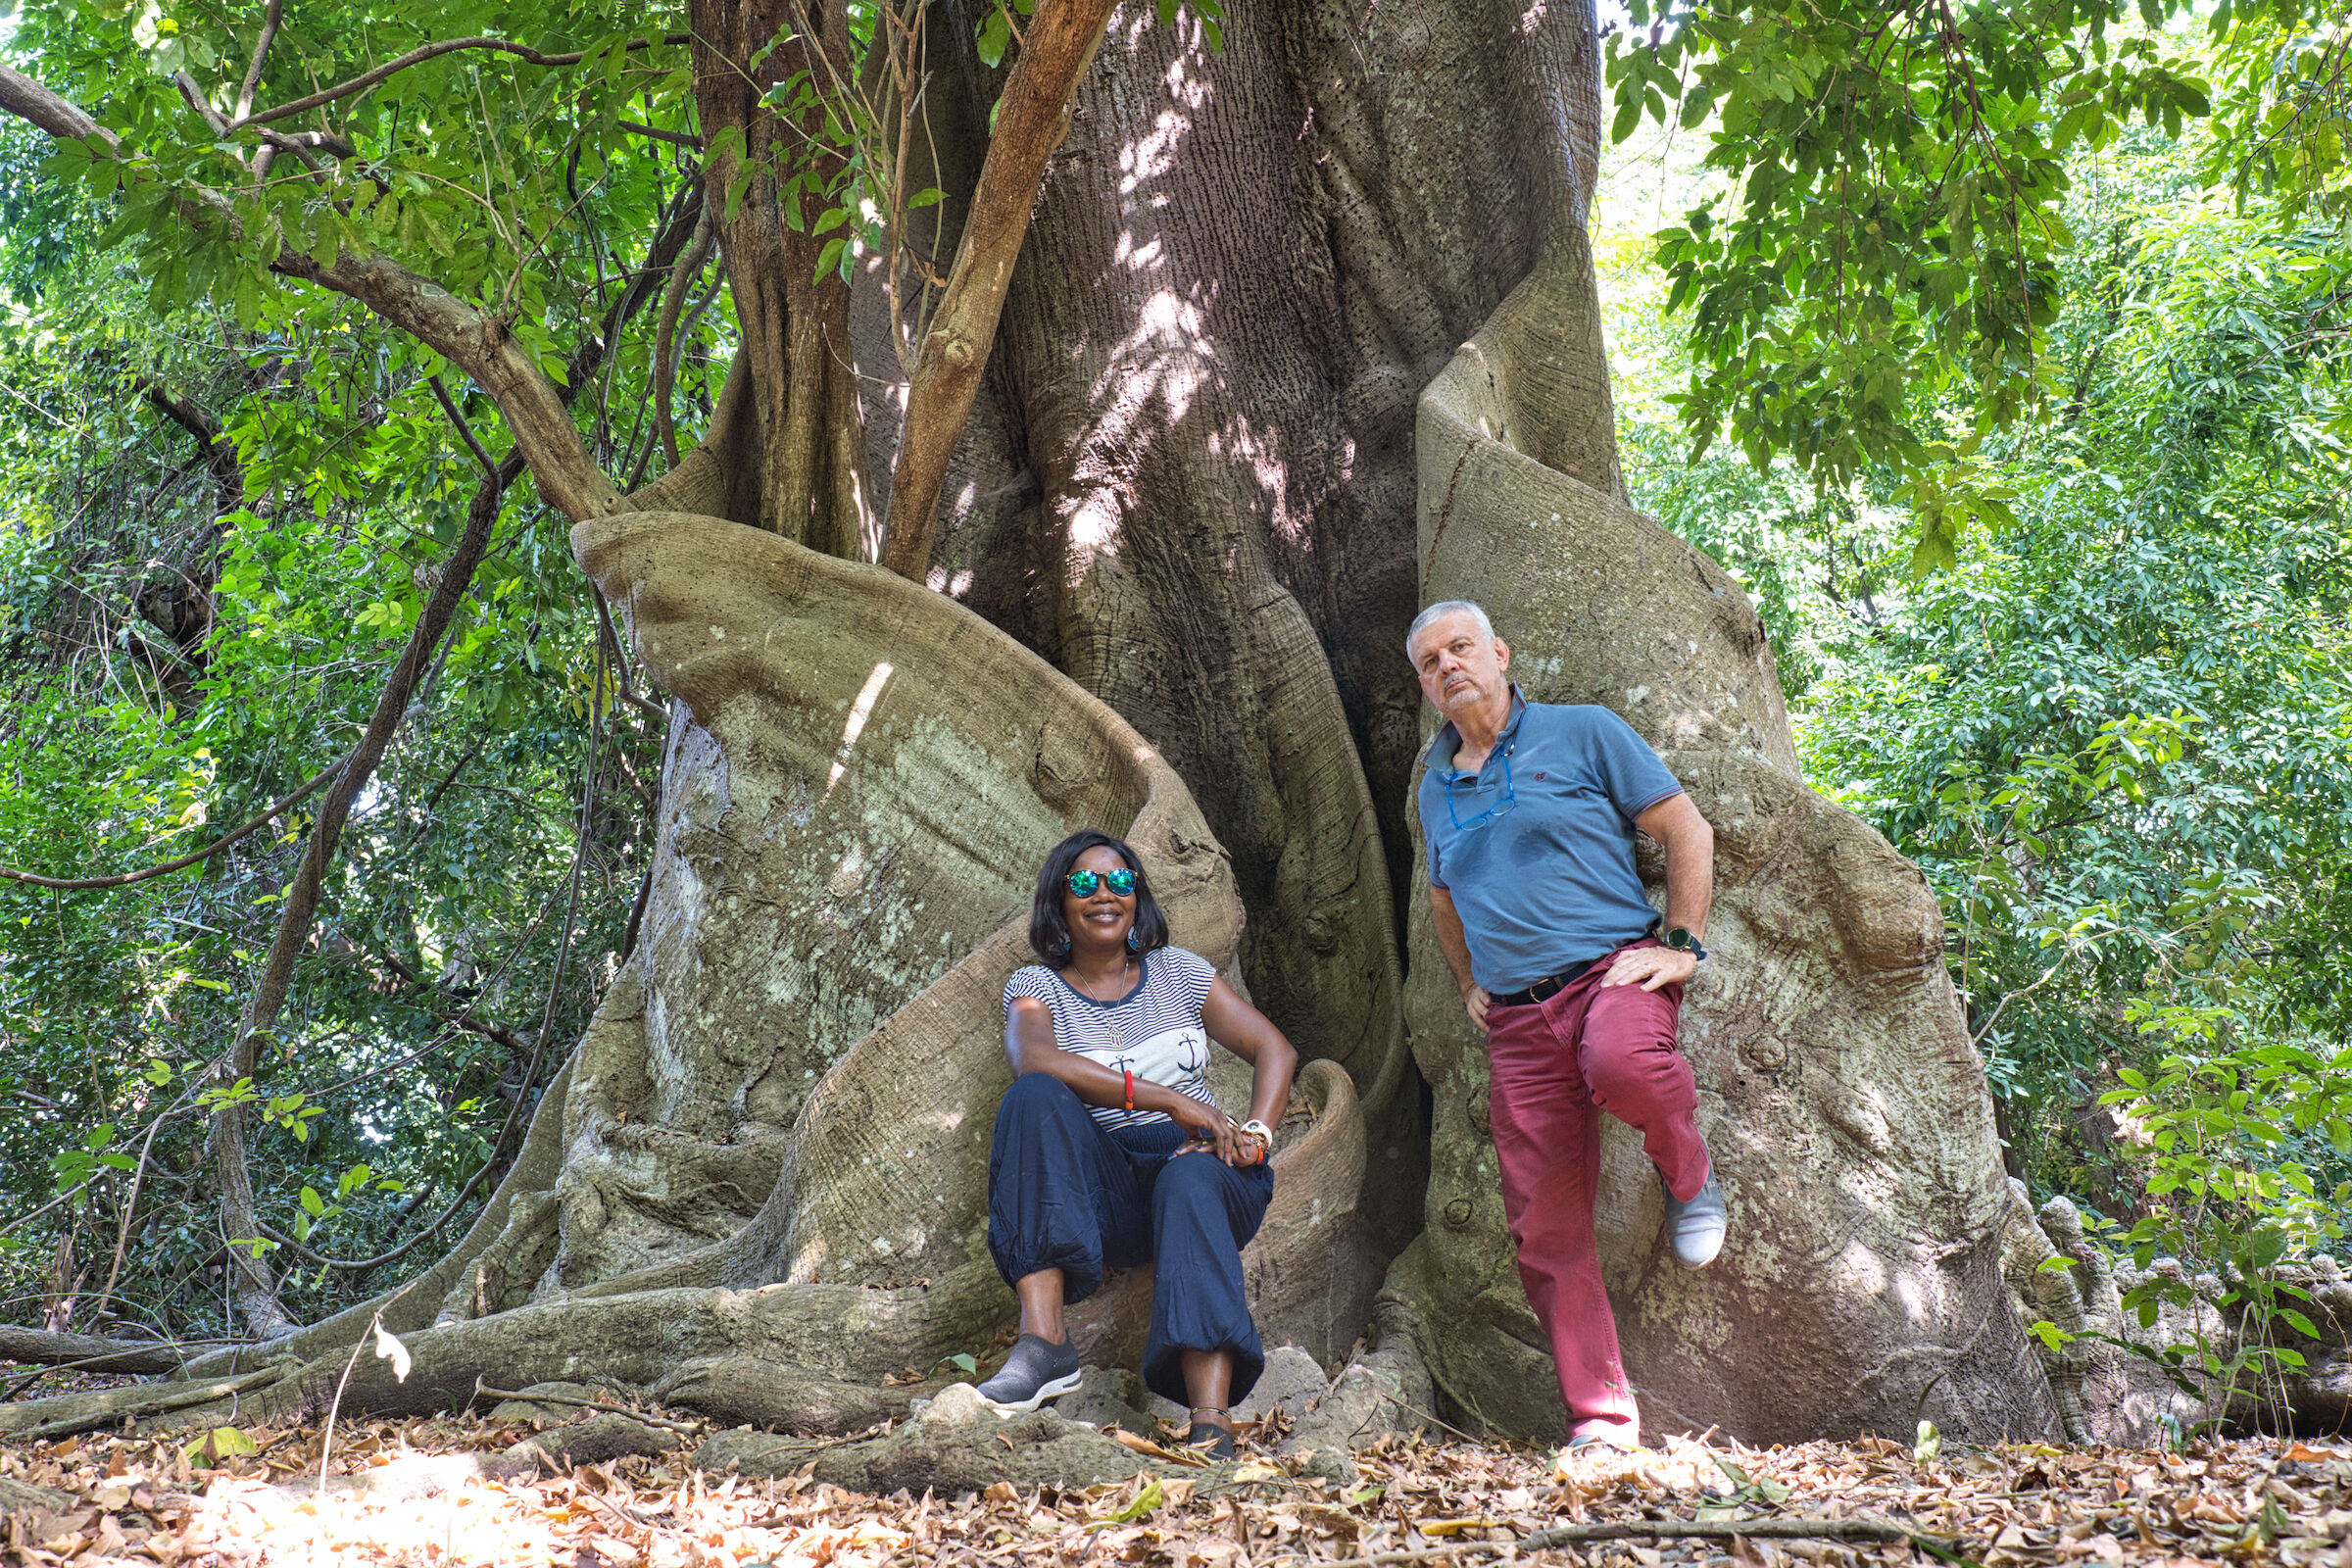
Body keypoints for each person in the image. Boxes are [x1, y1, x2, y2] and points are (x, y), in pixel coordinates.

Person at [1407, 599, 1728, 1462]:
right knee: (1542, 1228)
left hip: (1611, 972)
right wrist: (1470, 982)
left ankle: (1688, 1176)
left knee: (1624, 1060)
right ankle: (1602, 1422)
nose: (1448, 667)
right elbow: (1443, 897)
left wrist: (1682, 945)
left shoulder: (1584, 732)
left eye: (1461, 648)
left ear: (1500, 653)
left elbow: (1684, 826)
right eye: (1431, 661)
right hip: (1516, 1020)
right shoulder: (1435, 785)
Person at [977, 828, 1299, 1458]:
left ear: (1137, 899)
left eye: (1120, 880)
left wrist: (1256, 1132)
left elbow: (1274, 1050)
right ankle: (1044, 1347)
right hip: (1113, 1185)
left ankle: (1212, 1422)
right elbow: (1034, 1059)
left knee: (1189, 1178)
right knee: (1032, 1097)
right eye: (1085, 882)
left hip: (1204, 1168)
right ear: (1058, 904)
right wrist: (1172, 1099)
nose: (1105, 894)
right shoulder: (1034, 988)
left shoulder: (1178, 973)